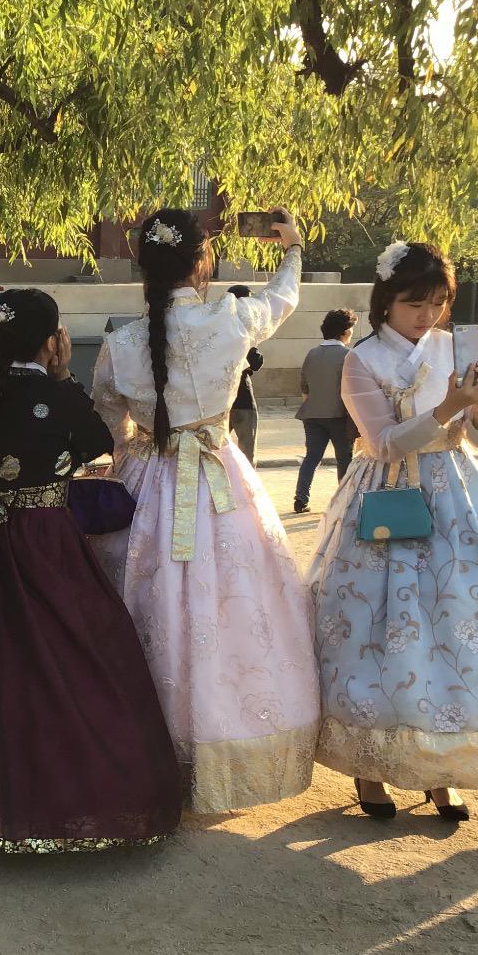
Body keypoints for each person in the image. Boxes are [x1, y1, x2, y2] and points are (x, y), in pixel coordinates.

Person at [308, 241, 478, 821]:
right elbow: (380, 444)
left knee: (455, 626)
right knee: (373, 627)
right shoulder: (363, 359)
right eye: (414, 304)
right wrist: (451, 401)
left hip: (456, 495)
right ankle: (369, 764)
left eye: (437, 303)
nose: (427, 316)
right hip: (386, 497)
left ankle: (440, 768)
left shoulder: (455, 348)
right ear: (386, 302)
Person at [92, 208, 319, 812]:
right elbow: (284, 298)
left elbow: (108, 406)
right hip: (220, 477)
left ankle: (152, 746)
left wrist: (132, 447)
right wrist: (292, 248)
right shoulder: (233, 317)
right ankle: (228, 744)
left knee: (153, 602)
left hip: (150, 479)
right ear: (203, 263)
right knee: (233, 604)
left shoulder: (121, 341)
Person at [0, 289, 182, 852]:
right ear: (52, 339)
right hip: (48, 534)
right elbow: (98, 444)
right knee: (79, 643)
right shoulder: (58, 394)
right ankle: (87, 797)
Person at [293, 308, 358, 513]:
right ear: (345, 331)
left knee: (311, 457)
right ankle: (344, 500)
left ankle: (300, 499)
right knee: (344, 459)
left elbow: (304, 387)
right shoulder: (348, 355)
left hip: (312, 414)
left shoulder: (312, 353)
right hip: (339, 415)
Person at [224, 285, 262, 463]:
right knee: (247, 451)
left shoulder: (217, 325)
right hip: (242, 398)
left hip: (218, 400)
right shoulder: (246, 328)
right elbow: (254, 362)